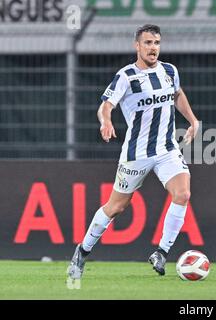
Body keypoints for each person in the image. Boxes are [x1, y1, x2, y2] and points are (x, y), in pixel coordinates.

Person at [67, 24, 199, 281]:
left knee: (182, 193)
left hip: (167, 148)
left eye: (157, 43)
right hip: (136, 153)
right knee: (116, 207)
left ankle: (162, 252)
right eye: (148, 43)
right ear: (137, 45)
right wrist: (106, 120)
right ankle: (82, 251)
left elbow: (178, 95)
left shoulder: (170, 71)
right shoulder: (126, 76)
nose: (153, 48)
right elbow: (106, 105)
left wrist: (193, 120)